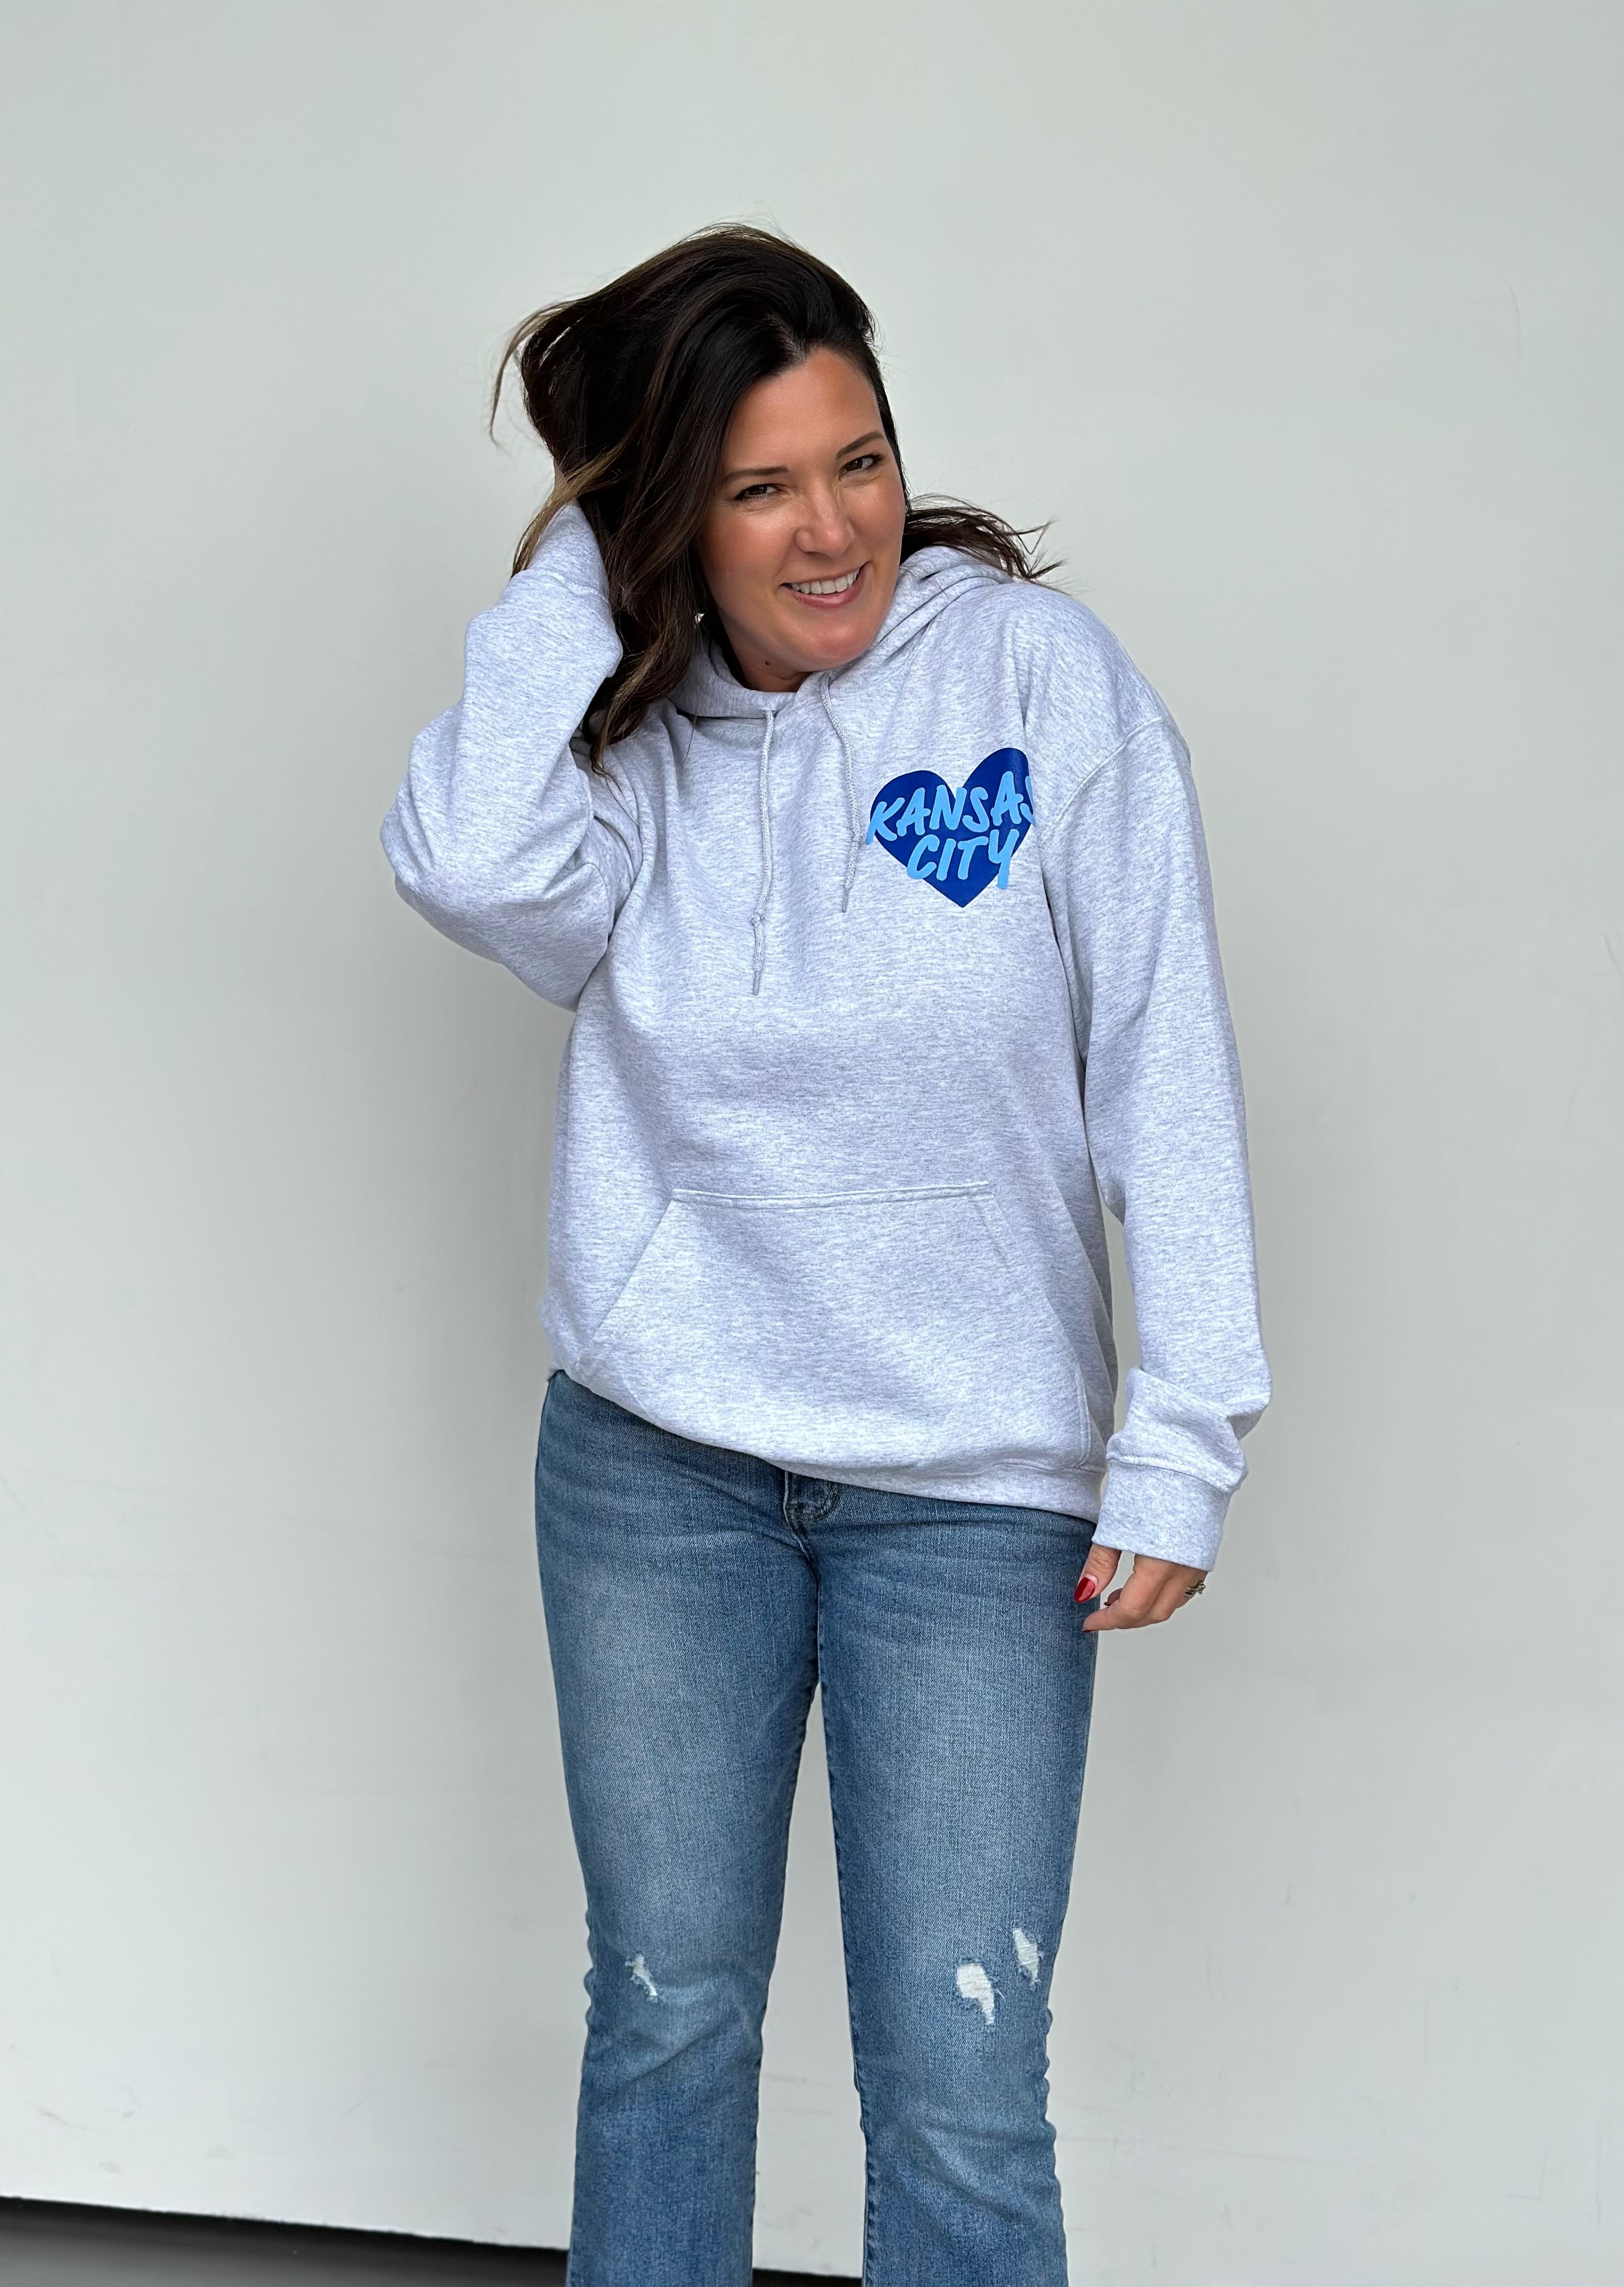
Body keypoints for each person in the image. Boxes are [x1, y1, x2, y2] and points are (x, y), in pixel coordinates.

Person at [380, 223, 1270, 2287]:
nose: (832, 528)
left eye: (858, 460)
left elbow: (1168, 1062)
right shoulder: (624, 748)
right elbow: (467, 857)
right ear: (670, 512)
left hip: (970, 1493)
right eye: (757, 485)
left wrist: (1183, 1436)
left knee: (961, 2086)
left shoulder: (1040, 682)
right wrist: (583, 556)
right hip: (657, 1471)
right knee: (665, 2023)